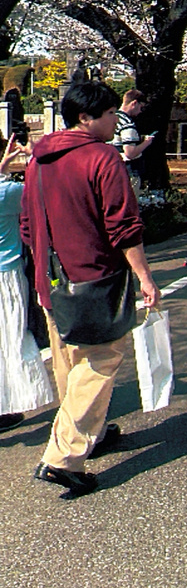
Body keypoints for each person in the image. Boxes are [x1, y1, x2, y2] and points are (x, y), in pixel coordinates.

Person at [20, 81, 161, 496]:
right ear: (86, 118)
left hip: (50, 278)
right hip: (94, 276)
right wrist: (145, 276)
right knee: (101, 359)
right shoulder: (102, 157)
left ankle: (89, 434)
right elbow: (123, 225)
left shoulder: (39, 159)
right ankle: (63, 458)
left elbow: (27, 225)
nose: (115, 120)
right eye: (110, 113)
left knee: (69, 360)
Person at [0, 138, 53, 432]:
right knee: (13, 338)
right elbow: (43, 189)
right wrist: (34, 156)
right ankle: (11, 402)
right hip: (6, 276)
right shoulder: (10, 192)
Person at [112, 89, 156, 193]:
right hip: (129, 171)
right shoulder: (127, 124)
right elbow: (130, 153)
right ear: (134, 103)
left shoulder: (111, 119)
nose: (140, 111)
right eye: (141, 107)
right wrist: (146, 142)